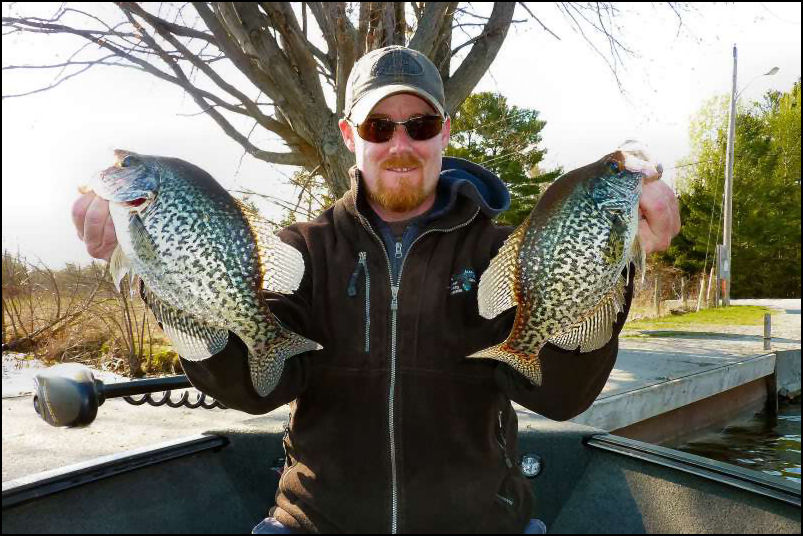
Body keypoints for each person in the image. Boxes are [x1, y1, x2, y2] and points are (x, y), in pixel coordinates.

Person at [72, 46, 680, 534]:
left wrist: (617, 263)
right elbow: (256, 391)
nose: (399, 143)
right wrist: (160, 279)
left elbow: (561, 398)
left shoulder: (501, 252)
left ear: (445, 131)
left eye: (418, 124)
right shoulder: (299, 251)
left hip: (481, 523)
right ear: (348, 134)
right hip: (314, 523)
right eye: (377, 124)